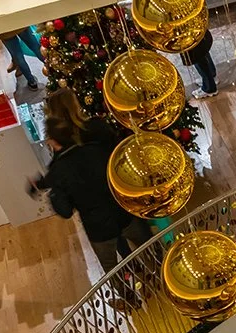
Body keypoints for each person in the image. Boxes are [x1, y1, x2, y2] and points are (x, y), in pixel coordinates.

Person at [29, 90, 151, 278]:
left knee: (111, 266)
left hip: (98, 225)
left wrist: (48, 189)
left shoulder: (60, 166)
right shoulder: (95, 133)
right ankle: (160, 273)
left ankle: (129, 293)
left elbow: (64, 208)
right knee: (147, 245)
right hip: (121, 206)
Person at [181, 28, 218, 97]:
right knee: (202, 48)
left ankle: (209, 87)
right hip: (194, 27)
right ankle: (211, 77)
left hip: (186, 31)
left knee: (196, 54)